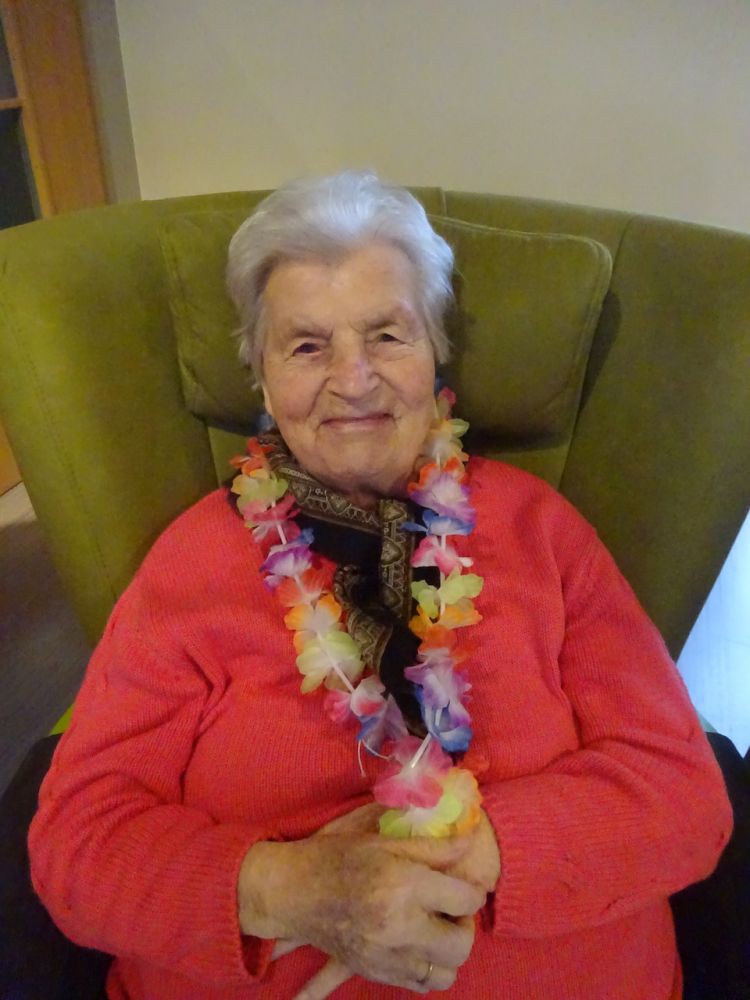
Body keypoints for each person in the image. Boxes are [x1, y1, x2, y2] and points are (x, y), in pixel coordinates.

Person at [28, 170, 732, 1000]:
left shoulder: (541, 531)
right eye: (306, 346)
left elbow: (684, 794)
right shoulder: (189, 563)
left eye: (388, 335)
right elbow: (77, 845)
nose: (354, 378)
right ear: (261, 378)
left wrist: (482, 850)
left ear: (435, 353)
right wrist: (289, 889)